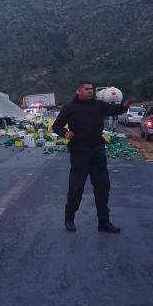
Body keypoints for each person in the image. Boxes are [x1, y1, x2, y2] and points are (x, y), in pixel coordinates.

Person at [51, 81, 134, 233]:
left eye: (92, 89)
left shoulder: (99, 105)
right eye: (87, 89)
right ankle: (69, 218)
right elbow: (56, 126)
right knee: (76, 188)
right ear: (79, 91)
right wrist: (65, 133)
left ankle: (104, 222)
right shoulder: (69, 108)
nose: (90, 91)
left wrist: (125, 105)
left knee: (102, 187)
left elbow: (114, 110)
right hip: (79, 152)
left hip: (97, 151)